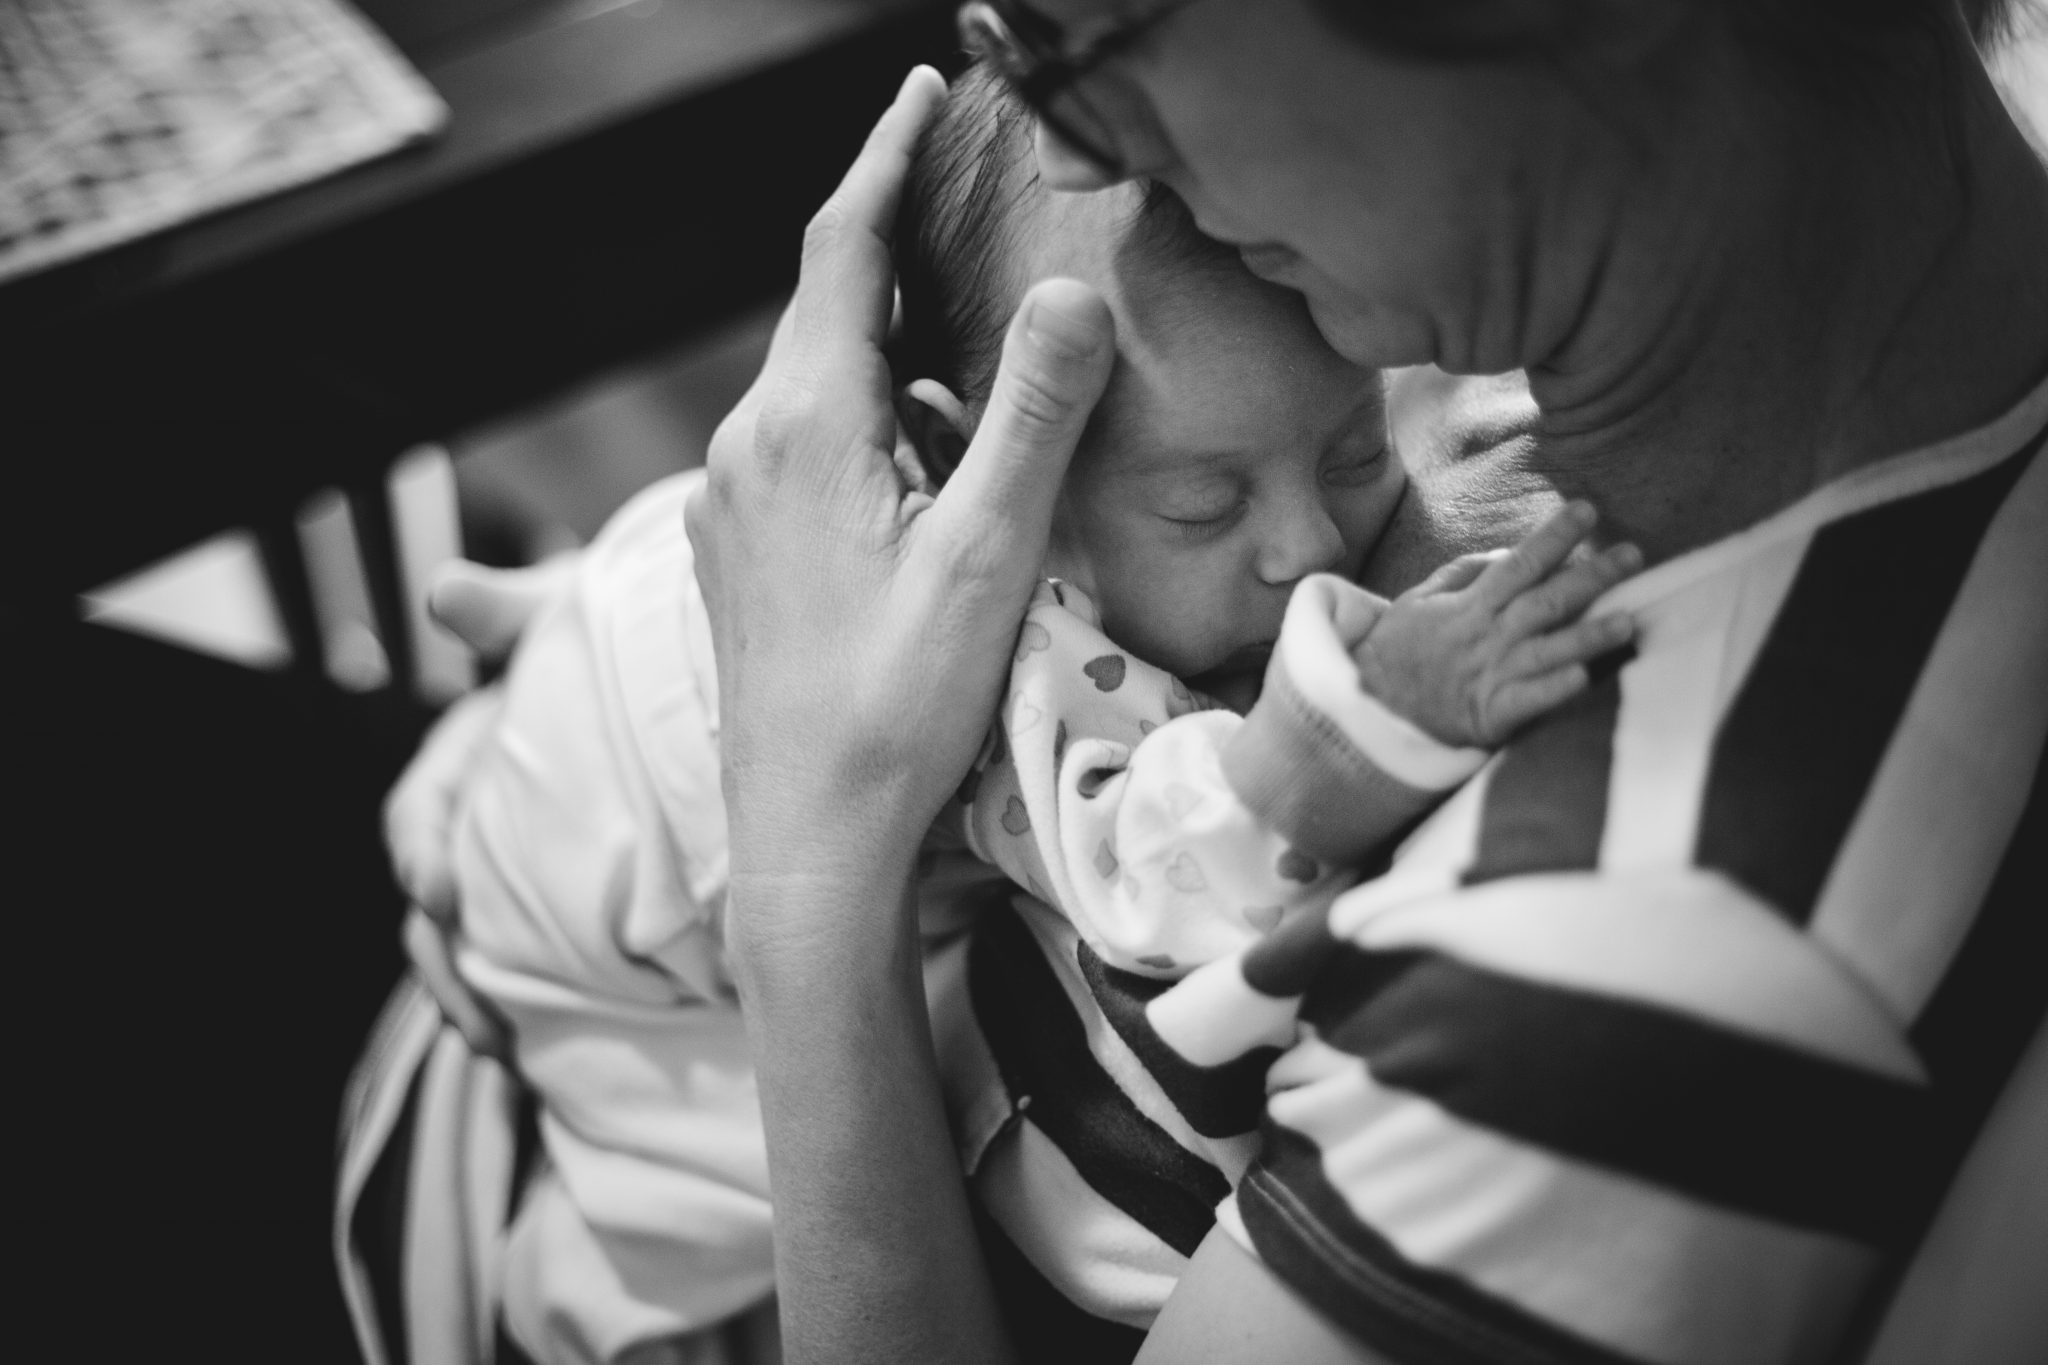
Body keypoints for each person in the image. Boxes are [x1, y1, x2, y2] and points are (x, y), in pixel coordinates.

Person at [666, 1, 2048, 1362]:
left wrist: (806, 863)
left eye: (1099, 32)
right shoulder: (1796, 298)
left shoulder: (1605, 980)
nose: (1077, 149)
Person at [348, 63, 1638, 1365]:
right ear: (966, 464)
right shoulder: (1017, 649)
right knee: (680, 1231)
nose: (1308, 546)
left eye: (1353, 450)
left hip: (609, 659)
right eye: (1201, 505)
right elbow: (1145, 864)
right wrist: (1354, 728)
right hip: (588, 897)